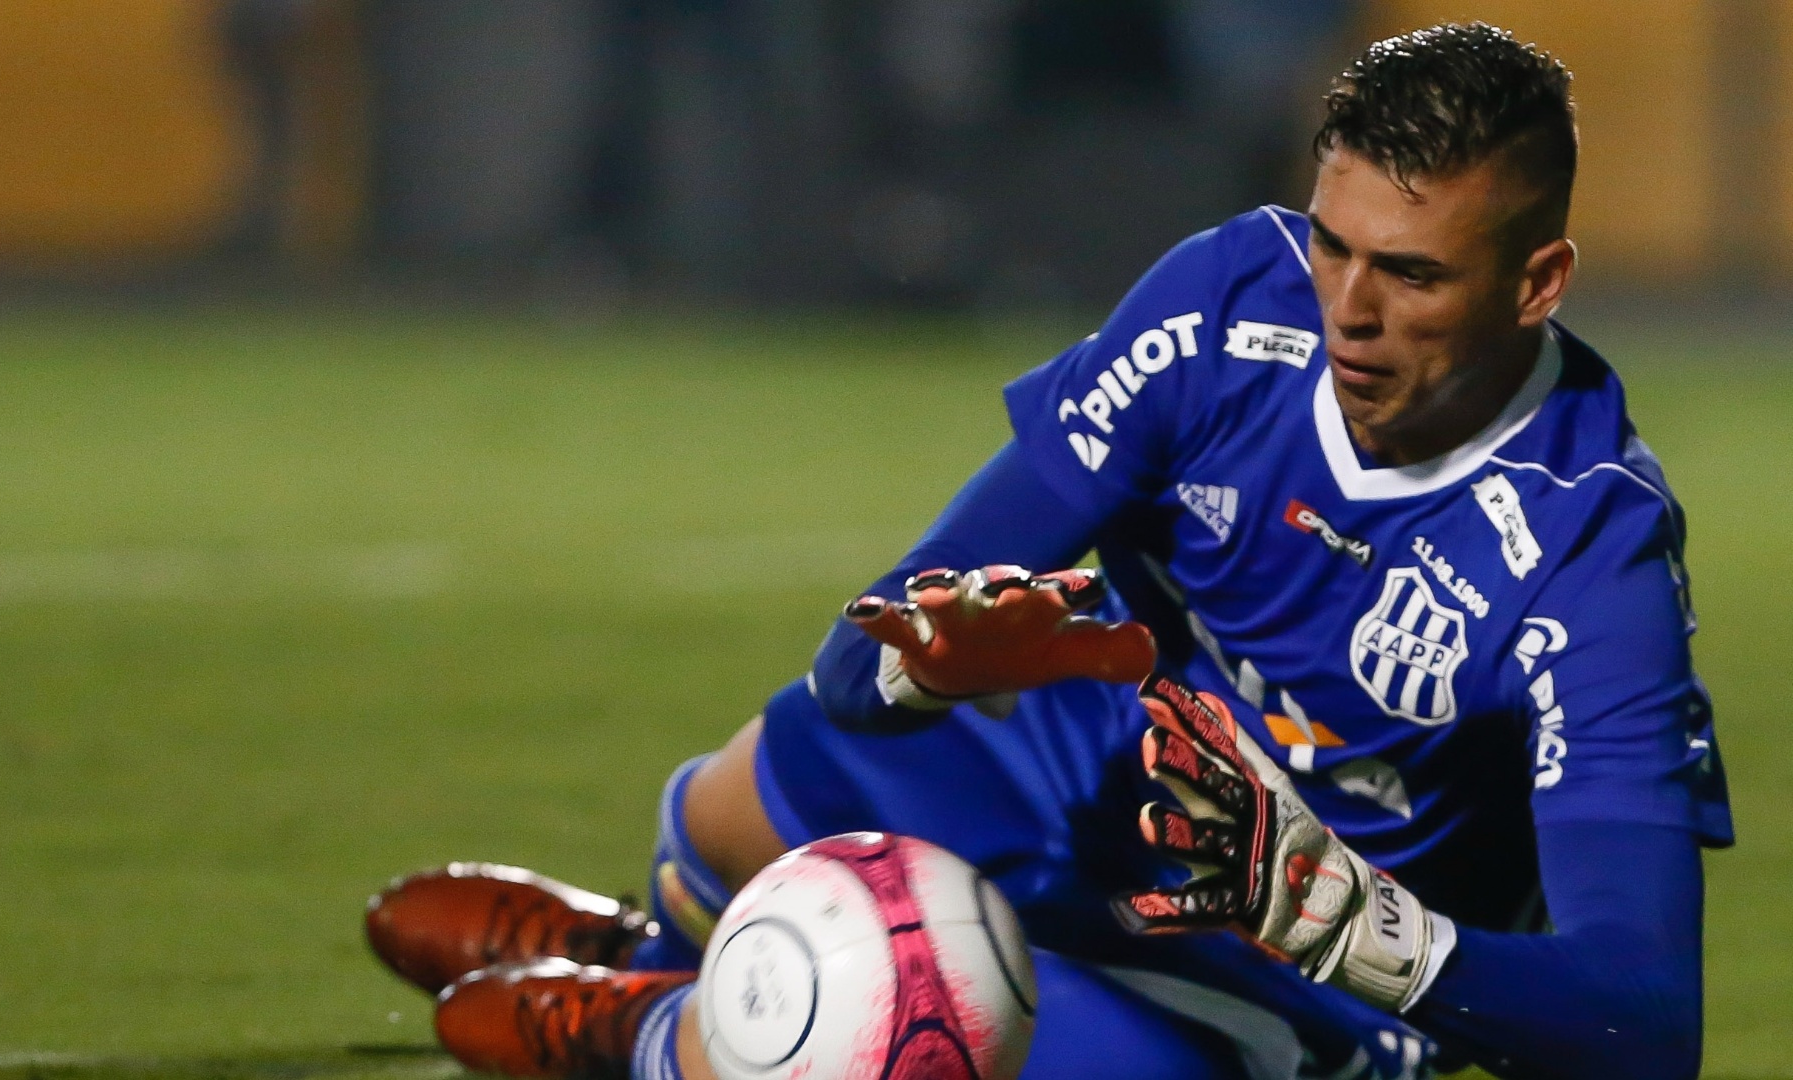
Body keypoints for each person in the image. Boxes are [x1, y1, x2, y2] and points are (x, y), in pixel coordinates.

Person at [363, 23, 1730, 1080]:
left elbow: (1645, 1021)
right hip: (1099, 765)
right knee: (749, 788)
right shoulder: (1223, 307)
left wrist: (1350, 926)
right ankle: (651, 938)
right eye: (1334, 247)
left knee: (926, 1023)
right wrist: (926, 668)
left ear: (1537, 281)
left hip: (1285, 951)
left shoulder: (1588, 553)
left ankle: (659, 1034)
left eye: (1414, 275)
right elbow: (868, 647)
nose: (1349, 314)